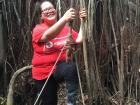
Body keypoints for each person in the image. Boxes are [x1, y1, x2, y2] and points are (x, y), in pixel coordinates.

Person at [32, 1, 87, 105]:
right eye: (45, 9)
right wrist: (64, 19)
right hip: (43, 73)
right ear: (41, 15)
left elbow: (79, 39)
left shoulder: (65, 29)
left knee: (70, 67)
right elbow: (48, 36)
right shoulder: (38, 29)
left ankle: (71, 102)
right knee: (49, 102)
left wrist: (83, 22)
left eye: (51, 8)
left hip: (59, 69)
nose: (49, 11)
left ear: (55, 10)